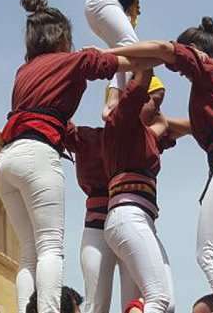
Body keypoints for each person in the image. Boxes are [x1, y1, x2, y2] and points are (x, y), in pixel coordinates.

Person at [0, 0, 159, 313]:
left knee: (28, 252)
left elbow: (48, 115)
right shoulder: (72, 61)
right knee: (50, 248)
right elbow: (122, 62)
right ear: (64, 39)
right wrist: (157, 56)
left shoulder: (23, 71)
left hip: (6, 158)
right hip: (37, 155)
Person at [105, 17, 213, 313]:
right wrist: (160, 122)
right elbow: (188, 125)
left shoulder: (205, 66)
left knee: (209, 254)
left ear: (192, 49)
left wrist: (111, 57)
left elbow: (160, 49)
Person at [102, 70, 175, 313]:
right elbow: (142, 78)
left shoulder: (145, 136)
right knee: (158, 299)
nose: (158, 109)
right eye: (156, 101)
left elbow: (166, 125)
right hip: (128, 216)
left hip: (139, 220)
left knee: (165, 303)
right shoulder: (121, 122)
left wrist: (157, 107)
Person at [63, 123, 136, 313]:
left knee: (129, 303)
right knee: (99, 303)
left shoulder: (138, 135)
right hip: (114, 222)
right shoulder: (88, 137)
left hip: (121, 221)